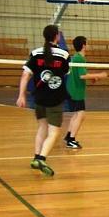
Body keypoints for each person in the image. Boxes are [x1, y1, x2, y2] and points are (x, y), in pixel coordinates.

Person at [16, 24, 70, 177]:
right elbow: (66, 72)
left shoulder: (35, 53)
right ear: (57, 37)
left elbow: (25, 75)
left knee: (42, 128)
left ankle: (36, 157)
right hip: (55, 99)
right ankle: (41, 159)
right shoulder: (63, 54)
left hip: (39, 98)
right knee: (54, 132)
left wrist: (21, 95)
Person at [64, 36, 108, 149]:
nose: (88, 45)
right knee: (81, 114)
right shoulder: (79, 58)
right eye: (87, 43)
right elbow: (82, 76)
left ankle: (68, 136)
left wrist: (93, 78)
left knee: (76, 114)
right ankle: (71, 140)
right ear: (84, 45)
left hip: (72, 89)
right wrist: (100, 75)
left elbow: (80, 74)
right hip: (75, 91)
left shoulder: (77, 57)